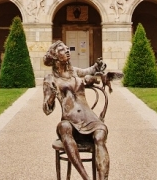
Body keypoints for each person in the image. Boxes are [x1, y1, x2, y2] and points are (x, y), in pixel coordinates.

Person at [43, 41, 110, 180]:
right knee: (64, 127)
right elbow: (47, 109)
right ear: (55, 56)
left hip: (91, 120)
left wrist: (97, 66)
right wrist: (51, 97)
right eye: (62, 50)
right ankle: (86, 177)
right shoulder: (51, 79)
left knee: (100, 137)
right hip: (70, 122)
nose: (67, 51)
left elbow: (90, 70)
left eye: (68, 49)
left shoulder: (75, 72)